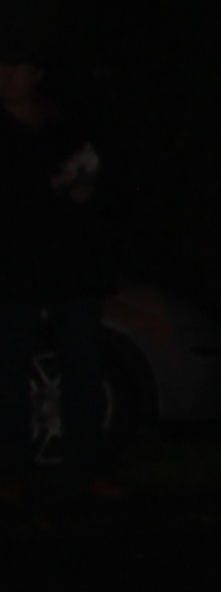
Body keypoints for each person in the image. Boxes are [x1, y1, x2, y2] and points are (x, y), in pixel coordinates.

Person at [0, 35, 117, 492]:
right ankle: (12, 473)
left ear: (36, 75)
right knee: (10, 370)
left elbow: (101, 178)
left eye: (15, 67)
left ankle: (86, 469)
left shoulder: (65, 123)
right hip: (13, 266)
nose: (6, 76)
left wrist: (87, 191)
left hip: (73, 264)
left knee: (82, 366)